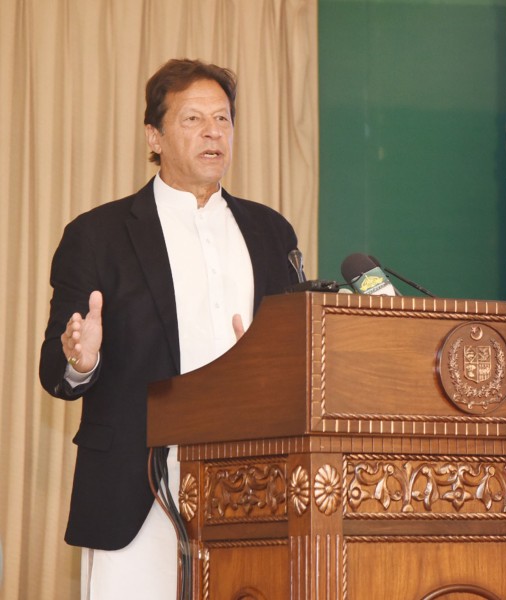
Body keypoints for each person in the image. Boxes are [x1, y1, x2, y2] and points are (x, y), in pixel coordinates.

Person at [39, 58, 300, 599]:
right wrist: (81, 360)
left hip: (252, 484)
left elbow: (298, 353)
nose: (213, 132)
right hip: (140, 483)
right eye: (193, 119)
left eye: (223, 119)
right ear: (154, 137)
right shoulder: (98, 235)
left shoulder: (271, 232)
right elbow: (56, 371)